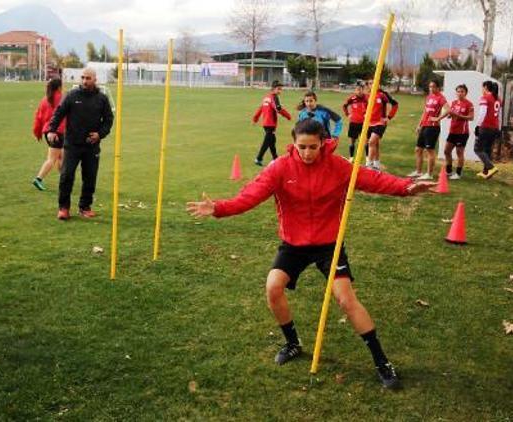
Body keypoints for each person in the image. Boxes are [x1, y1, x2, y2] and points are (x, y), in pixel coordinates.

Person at [186, 119, 435, 390]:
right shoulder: (280, 168)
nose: (307, 153)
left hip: (329, 244)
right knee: (273, 287)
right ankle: (293, 343)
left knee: (346, 300)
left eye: (313, 147)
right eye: (301, 147)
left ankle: (382, 362)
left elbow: (372, 179)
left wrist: (406, 187)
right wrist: (219, 208)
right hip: (293, 244)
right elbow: (250, 196)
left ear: (323, 143)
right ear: (293, 143)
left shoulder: (338, 166)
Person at [47, 68, 114, 220]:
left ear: (95, 79)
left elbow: (109, 120)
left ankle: (85, 207)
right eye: (83, 78)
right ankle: (63, 208)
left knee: (90, 177)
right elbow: (59, 113)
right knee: (66, 176)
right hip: (72, 144)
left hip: (91, 146)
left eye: (88, 78)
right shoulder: (71, 95)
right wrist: (52, 129)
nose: (84, 81)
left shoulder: (102, 98)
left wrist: (100, 134)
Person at [409, 80, 448, 180]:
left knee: (430, 151)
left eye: (433, 87)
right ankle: (418, 172)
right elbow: (425, 112)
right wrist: (419, 125)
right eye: (430, 87)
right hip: (425, 126)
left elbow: (448, 110)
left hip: (433, 127)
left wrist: (438, 118)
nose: (431, 89)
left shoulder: (441, 98)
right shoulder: (429, 97)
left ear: (438, 88)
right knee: (418, 149)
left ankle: (429, 174)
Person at [31, 78, 66, 191]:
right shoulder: (61, 98)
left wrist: (38, 132)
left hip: (47, 132)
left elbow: (38, 117)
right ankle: (38, 179)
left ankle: (64, 179)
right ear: (59, 87)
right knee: (52, 159)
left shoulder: (45, 99)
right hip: (57, 132)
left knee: (61, 156)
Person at [437, 84, 474, 180]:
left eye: (462, 91)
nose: (460, 93)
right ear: (456, 92)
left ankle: (458, 173)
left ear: (466, 93)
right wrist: (450, 116)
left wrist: (458, 115)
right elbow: (451, 114)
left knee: (459, 153)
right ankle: (449, 171)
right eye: (458, 91)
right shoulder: (453, 103)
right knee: (446, 151)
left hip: (462, 133)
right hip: (452, 131)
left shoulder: (469, 104)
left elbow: (471, 117)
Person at [252, 80, 292, 166]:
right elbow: (278, 109)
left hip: (265, 123)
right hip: (271, 124)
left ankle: (275, 158)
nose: (280, 91)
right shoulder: (274, 97)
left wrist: (255, 118)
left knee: (272, 141)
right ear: (273, 89)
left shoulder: (266, 97)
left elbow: (260, 108)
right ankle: (258, 158)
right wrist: (288, 116)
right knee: (267, 141)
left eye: (281, 89)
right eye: (279, 89)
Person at [364, 80, 399, 171]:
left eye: (374, 82)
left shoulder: (383, 95)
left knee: (371, 142)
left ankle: (369, 165)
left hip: (380, 123)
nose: (373, 84)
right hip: (369, 123)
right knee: (374, 144)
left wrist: (388, 117)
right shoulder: (367, 96)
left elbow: (394, 104)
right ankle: (376, 164)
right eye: (370, 83)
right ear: (368, 86)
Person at [474, 80, 501, 179]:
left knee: (477, 149)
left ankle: (491, 167)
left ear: (485, 87)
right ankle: (486, 173)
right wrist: (499, 128)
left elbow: (482, 113)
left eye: (482, 87)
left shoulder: (485, 97)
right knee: (487, 150)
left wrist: (477, 126)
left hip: (485, 127)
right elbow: (499, 115)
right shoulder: (498, 99)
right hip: (494, 128)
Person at [342, 82, 369, 161]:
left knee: (365, 141)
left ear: (363, 90)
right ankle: (351, 157)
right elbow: (344, 106)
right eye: (357, 90)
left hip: (363, 123)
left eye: (360, 90)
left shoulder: (366, 98)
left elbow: (371, 108)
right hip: (353, 122)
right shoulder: (352, 98)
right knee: (352, 141)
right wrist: (348, 114)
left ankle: (367, 158)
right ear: (355, 91)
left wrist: (367, 114)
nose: (359, 91)